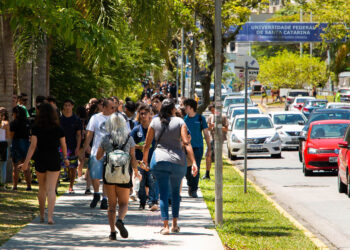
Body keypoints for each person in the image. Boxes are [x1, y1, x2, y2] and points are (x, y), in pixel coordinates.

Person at [142, 98, 198, 235]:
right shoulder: (180, 122)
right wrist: (194, 162)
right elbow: (186, 143)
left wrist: (144, 161)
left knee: (163, 194)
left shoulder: (154, 122)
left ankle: (165, 227)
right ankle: (175, 225)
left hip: (160, 160)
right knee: (175, 194)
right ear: (173, 109)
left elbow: (147, 145)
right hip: (178, 162)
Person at [20, 103, 70, 224]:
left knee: (42, 188)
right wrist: (65, 158)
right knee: (51, 189)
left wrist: (26, 162)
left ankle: (42, 215)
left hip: (40, 157)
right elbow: (63, 145)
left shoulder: (36, 127)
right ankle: (50, 217)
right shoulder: (58, 128)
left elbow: (32, 147)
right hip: (54, 157)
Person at [96, 112, 139, 241]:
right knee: (124, 203)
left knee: (111, 205)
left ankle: (112, 232)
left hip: (109, 175)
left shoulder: (105, 138)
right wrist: (136, 170)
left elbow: (98, 157)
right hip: (124, 175)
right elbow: (133, 158)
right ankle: (120, 220)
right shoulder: (129, 139)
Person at [83, 98, 115, 209]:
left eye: (114, 107)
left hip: (111, 152)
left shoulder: (117, 118)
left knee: (107, 177)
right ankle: (96, 194)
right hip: (96, 151)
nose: (113, 109)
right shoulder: (95, 118)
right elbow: (89, 134)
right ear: (104, 107)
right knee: (94, 175)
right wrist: (85, 148)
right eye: (111, 107)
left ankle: (104, 199)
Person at [130, 103, 158, 211]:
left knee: (152, 181)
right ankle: (142, 202)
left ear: (150, 114)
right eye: (141, 114)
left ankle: (152, 201)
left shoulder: (154, 128)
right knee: (141, 183)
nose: (143, 116)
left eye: (145, 113)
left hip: (152, 160)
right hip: (140, 161)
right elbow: (130, 144)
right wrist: (139, 146)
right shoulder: (136, 130)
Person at [183, 98, 211, 198]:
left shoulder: (200, 118)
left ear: (191, 107)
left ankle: (194, 189)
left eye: (186, 106)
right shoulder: (183, 119)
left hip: (198, 147)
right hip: (186, 148)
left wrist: (209, 147)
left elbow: (206, 133)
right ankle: (190, 183)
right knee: (186, 168)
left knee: (196, 168)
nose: (184, 108)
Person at [60, 99, 82, 193]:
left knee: (72, 167)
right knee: (58, 166)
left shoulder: (76, 119)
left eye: (69, 105)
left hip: (72, 146)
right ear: (63, 107)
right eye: (66, 105)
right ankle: (56, 186)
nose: (67, 107)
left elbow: (79, 134)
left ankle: (71, 186)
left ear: (72, 106)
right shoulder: (60, 119)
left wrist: (78, 147)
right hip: (60, 146)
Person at [204, 104, 228, 180]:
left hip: (219, 139)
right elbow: (207, 128)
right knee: (208, 156)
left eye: (213, 110)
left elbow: (226, 129)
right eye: (211, 111)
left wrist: (217, 126)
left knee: (218, 157)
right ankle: (207, 174)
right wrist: (210, 126)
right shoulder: (210, 117)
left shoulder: (223, 117)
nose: (213, 112)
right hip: (211, 138)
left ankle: (219, 175)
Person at [10, 106, 32, 191]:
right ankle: (29, 186)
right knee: (26, 165)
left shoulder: (13, 123)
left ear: (16, 114)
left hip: (16, 143)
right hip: (26, 143)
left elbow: (11, 135)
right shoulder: (28, 122)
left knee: (15, 165)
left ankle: (15, 186)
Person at [0, 108, 10, 189]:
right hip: (3, 144)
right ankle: (3, 184)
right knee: (3, 165)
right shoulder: (6, 123)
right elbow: (8, 136)